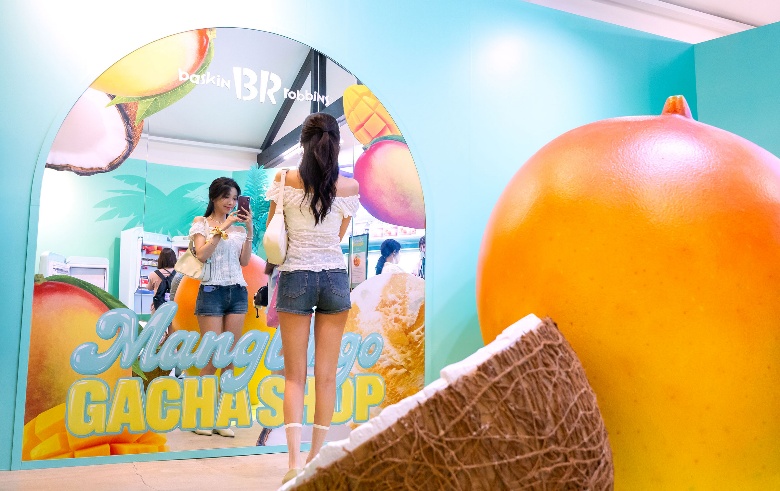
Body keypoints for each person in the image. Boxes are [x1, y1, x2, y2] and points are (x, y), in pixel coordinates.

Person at [265, 112, 359, 483]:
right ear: (337, 142)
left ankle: (292, 463)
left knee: (294, 377)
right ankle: (315, 460)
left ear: (303, 143)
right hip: (335, 278)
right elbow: (337, 237)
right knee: (327, 377)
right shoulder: (349, 187)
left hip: (295, 276)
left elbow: (273, 234)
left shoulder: (284, 179)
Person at [189, 176, 254, 437]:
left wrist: (249, 230)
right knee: (211, 357)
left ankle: (222, 417)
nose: (231, 202)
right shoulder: (201, 223)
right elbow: (201, 254)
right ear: (214, 197)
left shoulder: (239, 229)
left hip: (237, 292)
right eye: (226, 196)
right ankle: (202, 416)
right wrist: (223, 227)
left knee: (228, 359)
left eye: (235, 198)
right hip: (211, 292)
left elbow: (245, 262)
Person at [148, 248, 177, 314]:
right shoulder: (179, 274)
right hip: (174, 306)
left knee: (157, 320)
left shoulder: (153, 274)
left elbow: (149, 288)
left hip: (158, 306)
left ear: (160, 259)